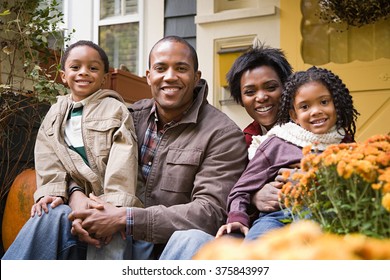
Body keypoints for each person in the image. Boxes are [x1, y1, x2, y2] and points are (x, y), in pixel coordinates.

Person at [2, 36, 248, 259]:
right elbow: (74, 158)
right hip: (103, 235)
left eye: (181, 69)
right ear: (149, 76)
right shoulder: (129, 116)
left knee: (193, 238)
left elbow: (210, 212)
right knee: (51, 217)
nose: (170, 76)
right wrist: (78, 199)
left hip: (165, 248)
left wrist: (124, 219)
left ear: (196, 77)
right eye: (161, 68)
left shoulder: (222, 134)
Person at [2, 40, 149, 260]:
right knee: (47, 214)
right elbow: (48, 155)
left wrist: (112, 205)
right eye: (75, 67)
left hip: (108, 202)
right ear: (63, 76)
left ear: (104, 77)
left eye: (93, 68)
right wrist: (52, 191)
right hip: (74, 198)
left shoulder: (115, 109)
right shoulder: (55, 114)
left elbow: (123, 159)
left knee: (109, 244)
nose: (83, 73)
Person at [159, 41, 294, 259]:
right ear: (241, 100)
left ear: (287, 88)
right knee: (196, 241)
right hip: (251, 228)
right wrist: (254, 198)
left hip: (302, 224)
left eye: (271, 87)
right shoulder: (243, 141)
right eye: (250, 92)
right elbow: (231, 195)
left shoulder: (313, 131)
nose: (261, 97)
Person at [216, 66, 359, 240]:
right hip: (277, 218)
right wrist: (238, 217)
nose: (316, 111)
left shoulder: (345, 144)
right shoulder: (278, 142)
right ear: (294, 115)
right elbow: (242, 188)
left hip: (326, 216)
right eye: (305, 106)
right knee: (256, 249)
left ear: (336, 104)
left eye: (324, 102)